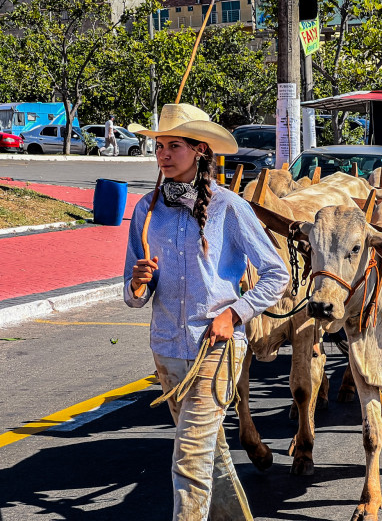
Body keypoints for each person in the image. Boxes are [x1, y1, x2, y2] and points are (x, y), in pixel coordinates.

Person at [124, 103, 289, 520]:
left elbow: (276, 274)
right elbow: (133, 294)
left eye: (174, 145)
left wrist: (235, 314)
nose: (163, 154)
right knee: (209, 455)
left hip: (216, 347)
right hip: (166, 348)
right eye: (159, 146)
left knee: (189, 458)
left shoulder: (228, 207)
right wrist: (139, 283)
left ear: (200, 150)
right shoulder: (145, 211)